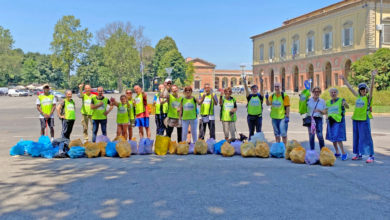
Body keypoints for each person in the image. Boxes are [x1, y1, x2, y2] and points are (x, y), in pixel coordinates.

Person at [341, 71, 376, 163]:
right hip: (356, 119)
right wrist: (344, 80)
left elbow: (372, 88)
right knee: (356, 137)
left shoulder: (368, 98)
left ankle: (371, 155)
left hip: (364, 119)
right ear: (359, 90)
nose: (363, 91)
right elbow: (350, 88)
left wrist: (372, 78)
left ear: (366, 90)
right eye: (361, 89)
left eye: (364, 89)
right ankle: (358, 154)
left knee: (366, 137)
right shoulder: (358, 96)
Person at [325, 87, 349, 160]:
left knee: (338, 138)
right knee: (333, 137)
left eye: (334, 92)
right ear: (330, 94)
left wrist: (345, 104)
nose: (333, 93)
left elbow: (347, 107)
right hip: (330, 121)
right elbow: (326, 111)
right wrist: (326, 118)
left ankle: (343, 153)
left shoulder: (341, 100)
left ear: (337, 93)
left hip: (338, 121)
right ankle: (337, 152)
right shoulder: (328, 102)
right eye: (331, 92)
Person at [306, 86, 326, 150]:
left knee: (320, 135)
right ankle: (312, 151)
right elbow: (303, 109)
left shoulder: (322, 101)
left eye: (318, 92)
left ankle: (323, 150)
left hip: (318, 119)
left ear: (320, 93)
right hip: (311, 119)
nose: (316, 93)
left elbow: (325, 112)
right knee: (311, 136)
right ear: (313, 92)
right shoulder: (309, 100)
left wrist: (319, 111)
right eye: (315, 91)